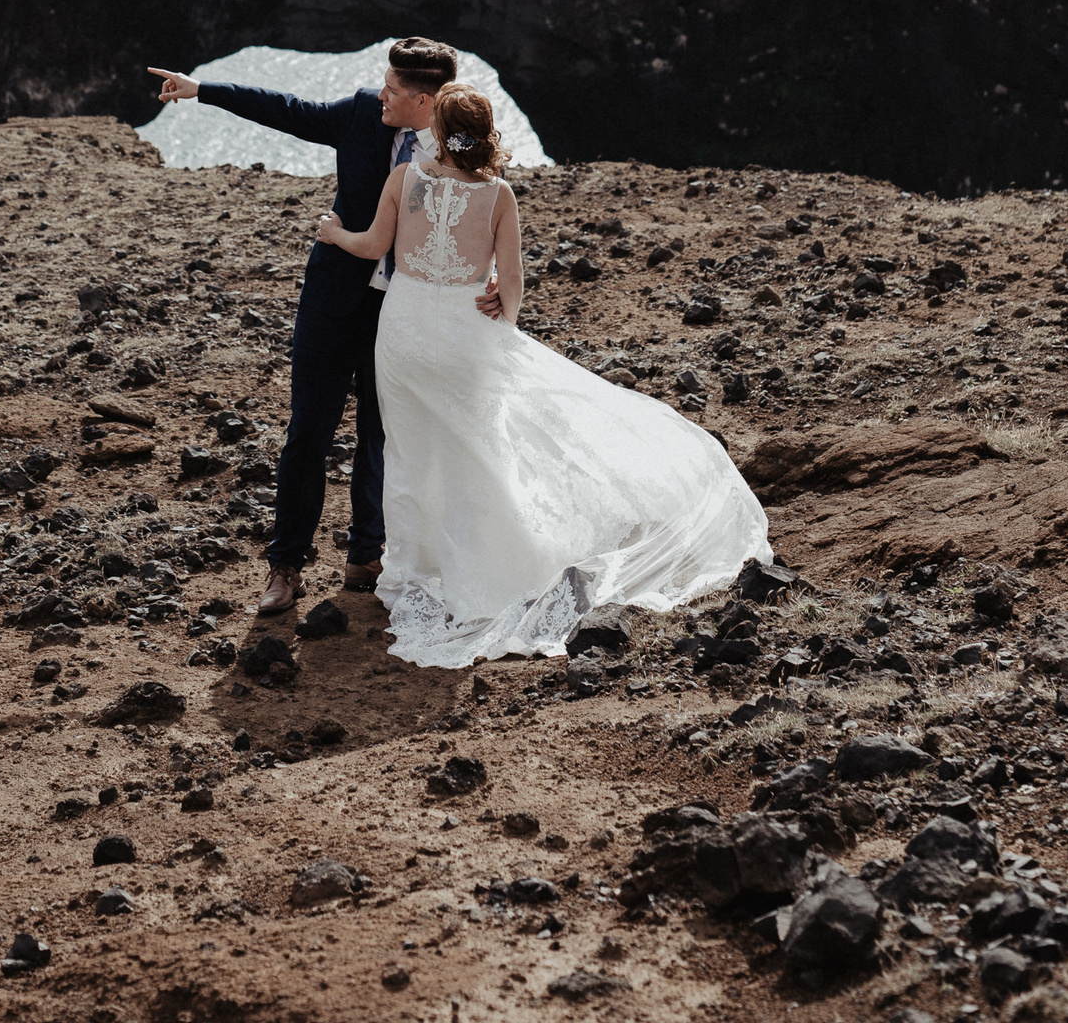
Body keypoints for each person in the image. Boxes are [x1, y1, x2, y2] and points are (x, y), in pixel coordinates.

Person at [316, 81, 770, 667]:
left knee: (412, 452)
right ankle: (486, 562)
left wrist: (333, 234)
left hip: (403, 335)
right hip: (462, 337)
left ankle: (416, 569)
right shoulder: (499, 194)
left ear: (437, 132)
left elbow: (374, 244)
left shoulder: (405, 179)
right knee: (479, 450)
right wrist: (497, 319)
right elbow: (513, 282)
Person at [147, 38, 458, 616]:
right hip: (332, 298)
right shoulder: (366, 110)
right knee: (307, 434)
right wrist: (203, 90)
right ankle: (285, 566)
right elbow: (291, 110)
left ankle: (366, 556)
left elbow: (481, 206)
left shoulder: (458, 137)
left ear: (425, 101)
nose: (380, 94)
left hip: (404, 308)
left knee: (380, 433)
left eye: (393, 90)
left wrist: (488, 283)